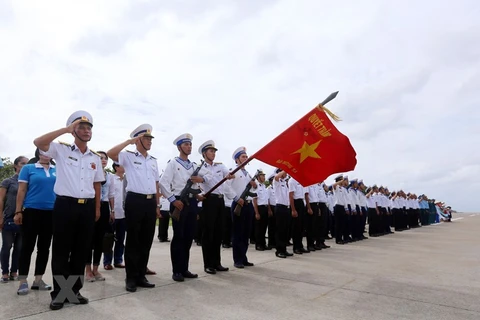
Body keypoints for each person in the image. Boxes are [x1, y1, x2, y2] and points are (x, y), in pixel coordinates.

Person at [34, 110, 104, 310]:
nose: (85, 130)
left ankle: (74, 291)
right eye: (81, 127)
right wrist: (65, 129)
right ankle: (59, 293)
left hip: (87, 207)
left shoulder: (95, 158)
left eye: (88, 127)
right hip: (65, 205)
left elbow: (97, 184)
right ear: (73, 131)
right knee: (61, 251)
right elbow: (38, 142)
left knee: (81, 251)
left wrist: (97, 208)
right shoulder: (61, 150)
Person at [107, 124, 160, 293]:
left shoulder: (153, 161)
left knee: (146, 240)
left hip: (150, 202)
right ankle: (130, 277)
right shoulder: (128, 156)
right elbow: (110, 154)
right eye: (146, 138)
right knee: (133, 240)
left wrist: (158, 204)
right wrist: (128, 142)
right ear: (138, 140)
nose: (150, 141)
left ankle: (140, 275)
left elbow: (156, 183)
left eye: (151, 139)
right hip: (135, 201)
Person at [159, 133, 205, 282]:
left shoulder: (194, 166)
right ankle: (176, 270)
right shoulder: (173, 163)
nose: (189, 147)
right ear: (179, 147)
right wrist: (173, 200)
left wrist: (198, 194)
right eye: (186, 144)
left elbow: (198, 185)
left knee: (189, 236)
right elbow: (163, 183)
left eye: (190, 144)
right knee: (178, 237)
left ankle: (184, 268)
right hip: (179, 201)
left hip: (191, 202)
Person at [14, 150, 56, 295]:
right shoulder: (28, 168)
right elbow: (22, 190)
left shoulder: (57, 170)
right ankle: (22, 281)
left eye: (49, 151)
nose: (47, 153)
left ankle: (38, 280)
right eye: (44, 151)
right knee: (27, 247)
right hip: (32, 212)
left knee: (44, 248)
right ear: (38, 153)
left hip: (51, 213)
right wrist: (18, 211)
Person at [197, 140, 232, 274]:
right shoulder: (200, 168)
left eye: (214, 151)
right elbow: (195, 182)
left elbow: (228, 174)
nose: (213, 153)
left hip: (220, 200)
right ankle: (208, 264)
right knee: (208, 233)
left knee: (218, 232)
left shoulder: (220, 166)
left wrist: (229, 175)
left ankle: (217, 262)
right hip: (209, 201)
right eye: (211, 151)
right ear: (204, 153)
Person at [85, 151, 114, 282]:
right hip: (91, 206)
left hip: (105, 206)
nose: (103, 160)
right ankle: (88, 270)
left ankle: (96, 269)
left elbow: (111, 194)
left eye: (105, 158)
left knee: (100, 239)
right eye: (100, 158)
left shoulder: (110, 176)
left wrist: (112, 211)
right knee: (88, 239)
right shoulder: (89, 172)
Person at [227, 147, 256, 268]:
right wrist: (236, 198)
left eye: (246, 156)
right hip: (238, 204)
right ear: (237, 159)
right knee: (238, 233)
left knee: (246, 233)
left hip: (248, 205)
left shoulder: (247, 174)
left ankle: (243, 257)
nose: (245, 158)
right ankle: (237, 259)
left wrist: (254, 185)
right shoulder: (233, 172)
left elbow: (253, 190)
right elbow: (226, 187)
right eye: (243, 157)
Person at [0, 156, 27, 283]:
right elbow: (1, 200)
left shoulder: (29, 181)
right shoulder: (8, 181)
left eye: (27, 164)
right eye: (22, 163)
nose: (24, 166)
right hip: (9, 217)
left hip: (24, 218)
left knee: (20, 247)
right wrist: (1, 217)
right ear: (15, 165)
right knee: (7, 246)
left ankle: (14, 271)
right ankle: (4, 272)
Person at [103, 163, 127, 270]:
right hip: (112, 213)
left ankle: (118, 260)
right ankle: (107, 262)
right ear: (116, 167)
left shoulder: (128, 180)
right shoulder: (111, 178)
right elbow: (109, 195)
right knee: (109, 238)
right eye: (122, 165)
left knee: (121, 239)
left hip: (124, 214)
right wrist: (110, 211)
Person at [272, 169, 293, 258]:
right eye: (285, 172)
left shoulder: (285, 183)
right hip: (280, 207)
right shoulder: (276, 181)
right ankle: (279, 251)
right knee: (280, 230)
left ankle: (284, 249)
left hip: (286, 208)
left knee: (285, 230)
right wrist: (285, 169)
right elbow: (276, 177)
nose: (286, 174)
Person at [253, 169, 270, 251]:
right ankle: (258, 244)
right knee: (259, 228)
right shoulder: (256, 185)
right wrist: (256, 213)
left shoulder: (264, 186)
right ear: (258, 177)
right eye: (262, 175)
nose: (264, 177)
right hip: (259, 208)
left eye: (264, 175)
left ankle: (263, 244)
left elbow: (267, 199)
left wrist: (269, 209)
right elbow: (255, 200)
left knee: (264, 227)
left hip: (265, 208)